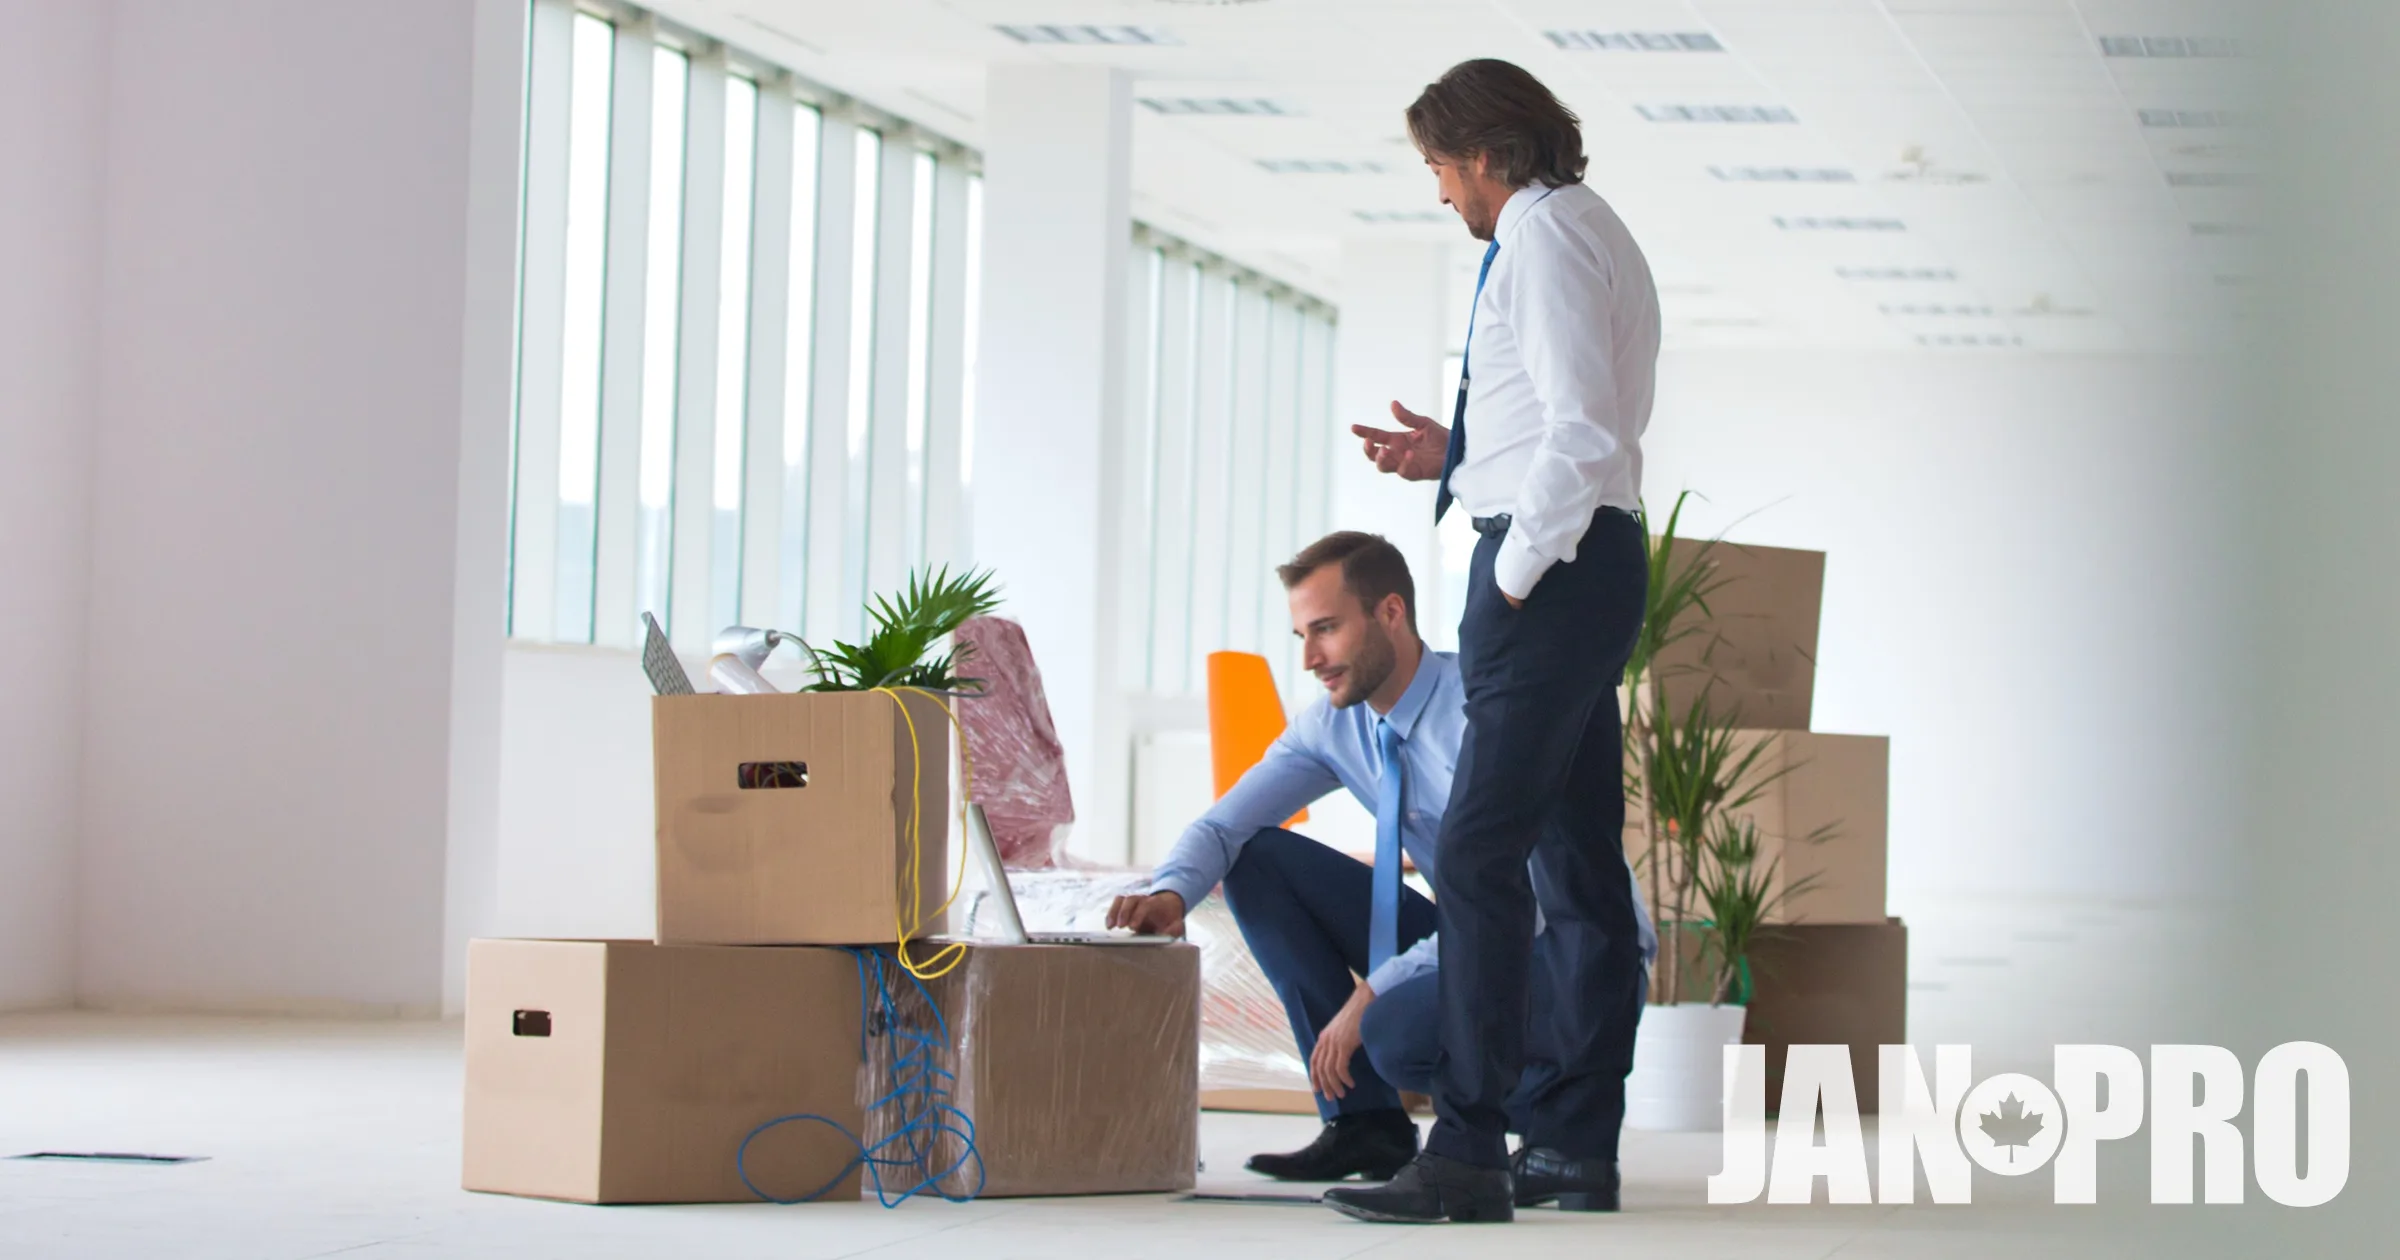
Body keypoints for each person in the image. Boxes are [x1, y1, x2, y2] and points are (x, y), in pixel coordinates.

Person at [1320, 59, 1662, 1226]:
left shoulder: (1545, 238)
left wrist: (1511, 574)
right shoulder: (1574, 229)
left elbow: (1583, 428)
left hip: (1550, 570)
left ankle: (1465, 1149)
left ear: (1483, 152)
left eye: (1437, 167)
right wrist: (1454, 460)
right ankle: (1570, 1146)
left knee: (1474, 857)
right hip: (1570, 560)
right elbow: (1554, 423)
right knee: (1572, 863)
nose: (1439, 194)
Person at [1105, 531, 1653, 1201]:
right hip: (1472, 931)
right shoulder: (1334, 727)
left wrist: (1374, 993)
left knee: (1394, 1029)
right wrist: (1169, 893)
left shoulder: (1487, 712)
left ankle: (1561, 1117)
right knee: (1256, 858)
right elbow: (1226, 825)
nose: (1309, 658)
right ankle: (1366, 1124)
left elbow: (1533, 904)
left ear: (1390, 613)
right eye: (1303, 634)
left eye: (1327, 630)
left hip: (1559, 958)